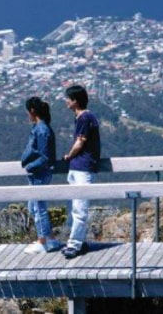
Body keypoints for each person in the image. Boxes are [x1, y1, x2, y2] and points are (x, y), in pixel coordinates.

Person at [60, 85, 101, 259]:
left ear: (75, 101)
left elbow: (80, 142)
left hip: (83, 167)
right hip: (78, 167)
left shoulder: (84, 118)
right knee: (75, 206)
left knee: (79, 208)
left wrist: (69, 155)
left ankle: (74, 244)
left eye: (68, 98)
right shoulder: (83, 117)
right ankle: (79, 241)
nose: (66, 101)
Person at [20, 97, 62, 254]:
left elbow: (45, 157)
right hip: (37, 172)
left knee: (39, 207)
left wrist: (30, 166)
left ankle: (44, 241)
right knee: (34, 206)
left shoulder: (42, 130)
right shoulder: (41, 128)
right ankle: (48, 237)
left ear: (32, 111)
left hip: (39, 173)